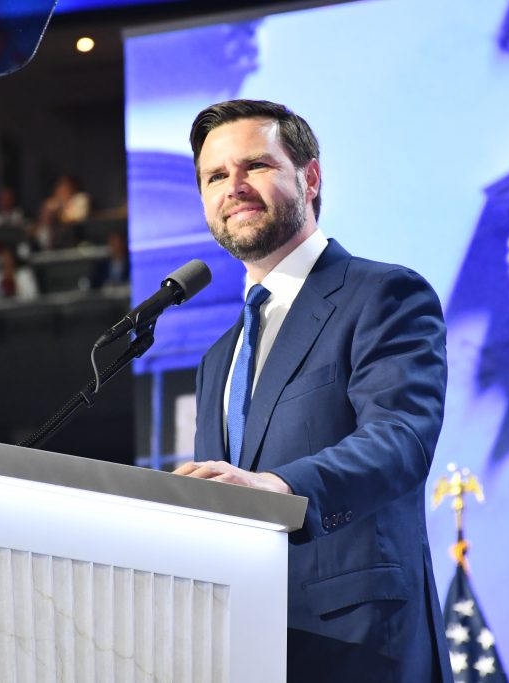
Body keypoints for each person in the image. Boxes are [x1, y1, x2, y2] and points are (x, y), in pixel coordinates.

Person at [174, 100, 453, 682]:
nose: (235, 187)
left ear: (310, 177)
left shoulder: (382, 295)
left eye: (256, 166)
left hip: (359, 646)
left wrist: (275, 488)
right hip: (246, 648)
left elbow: (400, 440)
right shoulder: (217, 359)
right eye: (216, 176)